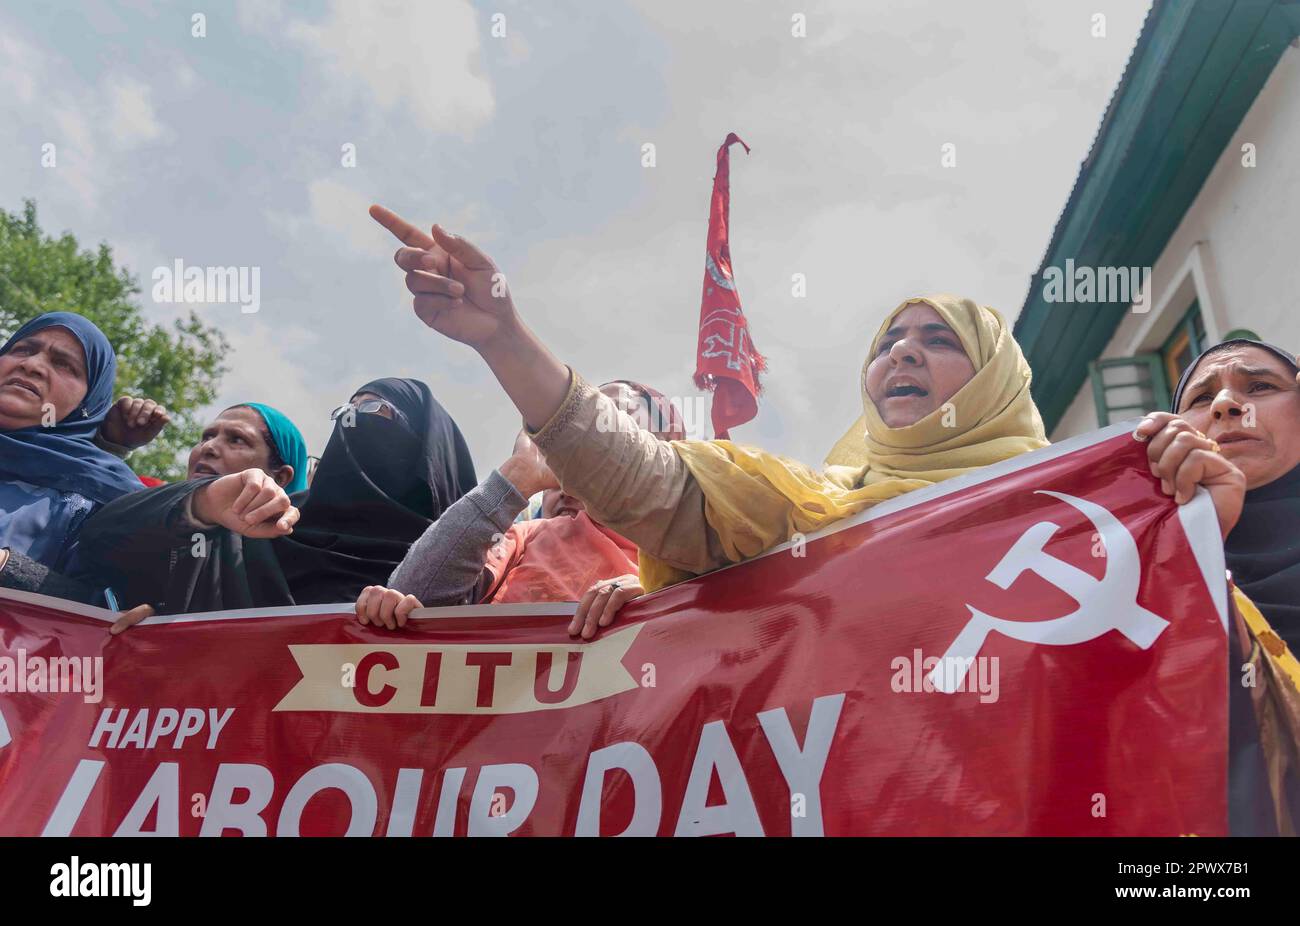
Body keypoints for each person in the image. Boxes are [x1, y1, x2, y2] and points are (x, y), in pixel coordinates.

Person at [370, 205, 1245, 629]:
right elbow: (657, 488)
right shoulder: (809, 503)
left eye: (938, 340)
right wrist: (507, 340)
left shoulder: (1088, 509)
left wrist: (1197, 528)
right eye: (888, 339)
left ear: (993, 385)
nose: (901, 353)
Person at [83, 378, 476, 620]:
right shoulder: (254, 537)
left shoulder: (470, 569)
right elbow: (97, 538)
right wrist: (203, 503)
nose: (353, 420)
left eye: (373, 409)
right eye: (346, 410)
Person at [354, 381, 686, 634]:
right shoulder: (528, 537)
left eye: (614, 417)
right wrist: (517, 476)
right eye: (585, 420)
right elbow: (415, 595)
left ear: (666, 447)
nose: (590, 434)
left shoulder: (698, 550)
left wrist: (659, 601)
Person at [0, 312, 147, 605]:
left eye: (63, 364)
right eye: (23, 349)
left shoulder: (107, 499)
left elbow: (115, 611)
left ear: (89, 403)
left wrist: (7, 566)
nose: (32, 365)